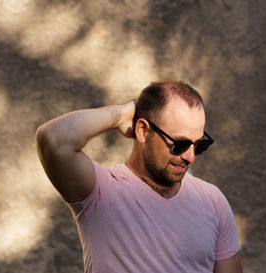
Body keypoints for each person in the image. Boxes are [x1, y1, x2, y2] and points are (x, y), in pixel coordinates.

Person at [36, 81, 243, 273]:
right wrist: (119, 114)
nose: (190, 156)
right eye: (180, 144)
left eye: (198, 145)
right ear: (143, 131)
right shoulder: (101, 192)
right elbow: (53, 138)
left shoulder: (212, 200)